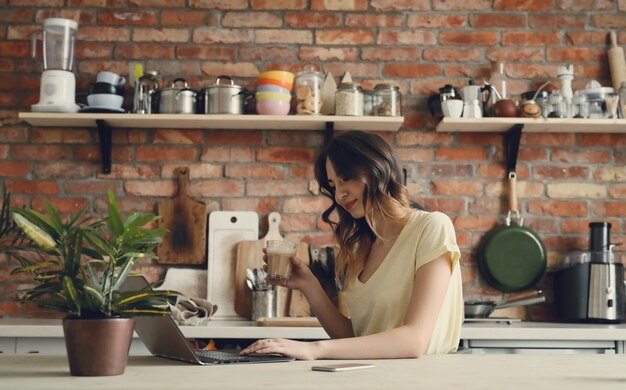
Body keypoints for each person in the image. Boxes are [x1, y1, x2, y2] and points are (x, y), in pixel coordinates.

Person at [241, 131, 463, 360]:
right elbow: (357, 338)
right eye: (333, 185)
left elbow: (414, 340)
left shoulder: (432, 227)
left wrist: (313, 348)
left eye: (345, 178)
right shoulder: (362, 247)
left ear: (378, 168)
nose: (339, 195)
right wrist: (309, 286)